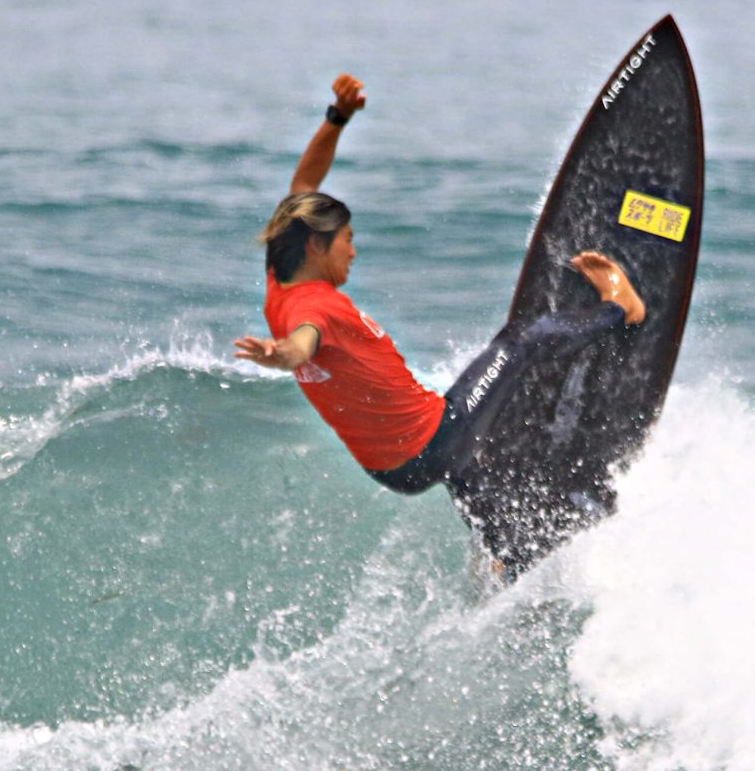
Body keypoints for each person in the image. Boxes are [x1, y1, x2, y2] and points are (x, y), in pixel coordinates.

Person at [234, 74, 645, 495]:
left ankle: (488, 511)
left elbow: (304, 185)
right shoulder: (314, 308)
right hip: (435, 441)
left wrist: (338, 117)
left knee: (466, 421)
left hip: (391, 469)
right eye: (347, 240)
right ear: (316, 246)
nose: (353, 252)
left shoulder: (280, 280)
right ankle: (620, 307)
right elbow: (303, 342)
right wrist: (281, 355)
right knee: (519, 341)